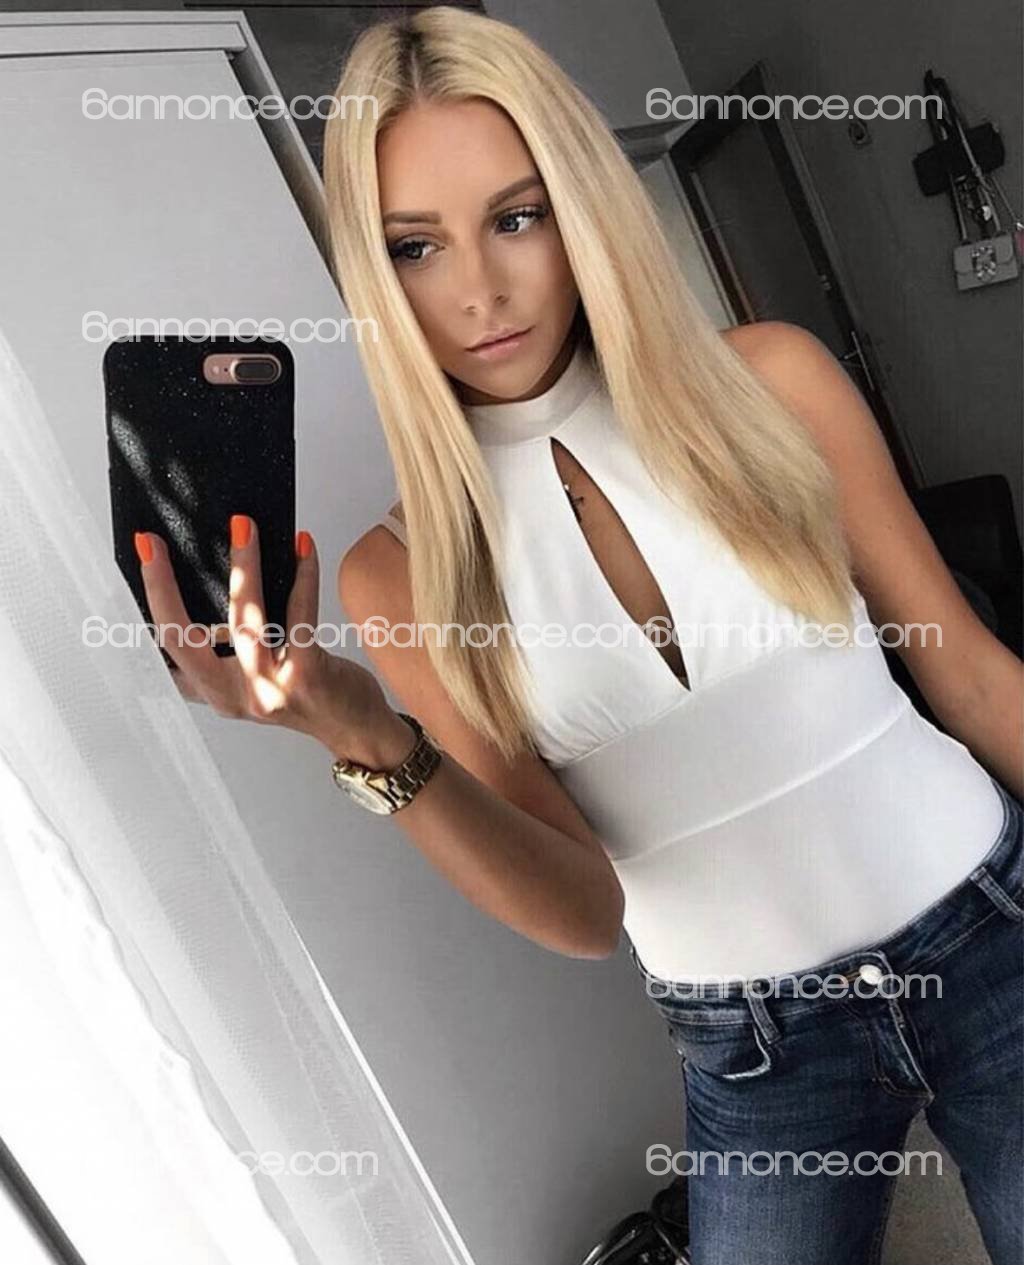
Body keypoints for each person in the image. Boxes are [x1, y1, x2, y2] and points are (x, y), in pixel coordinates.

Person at [134, 8, 1024, 1262]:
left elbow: (970, 674)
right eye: (415, 245)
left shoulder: (774, 380)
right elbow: (580, 912)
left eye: (517, 216)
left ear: (582, 209)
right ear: (374, 273)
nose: (479, 290)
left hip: (993, 926)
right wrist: (358, 731)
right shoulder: (403, 571)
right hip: (758, 1045)